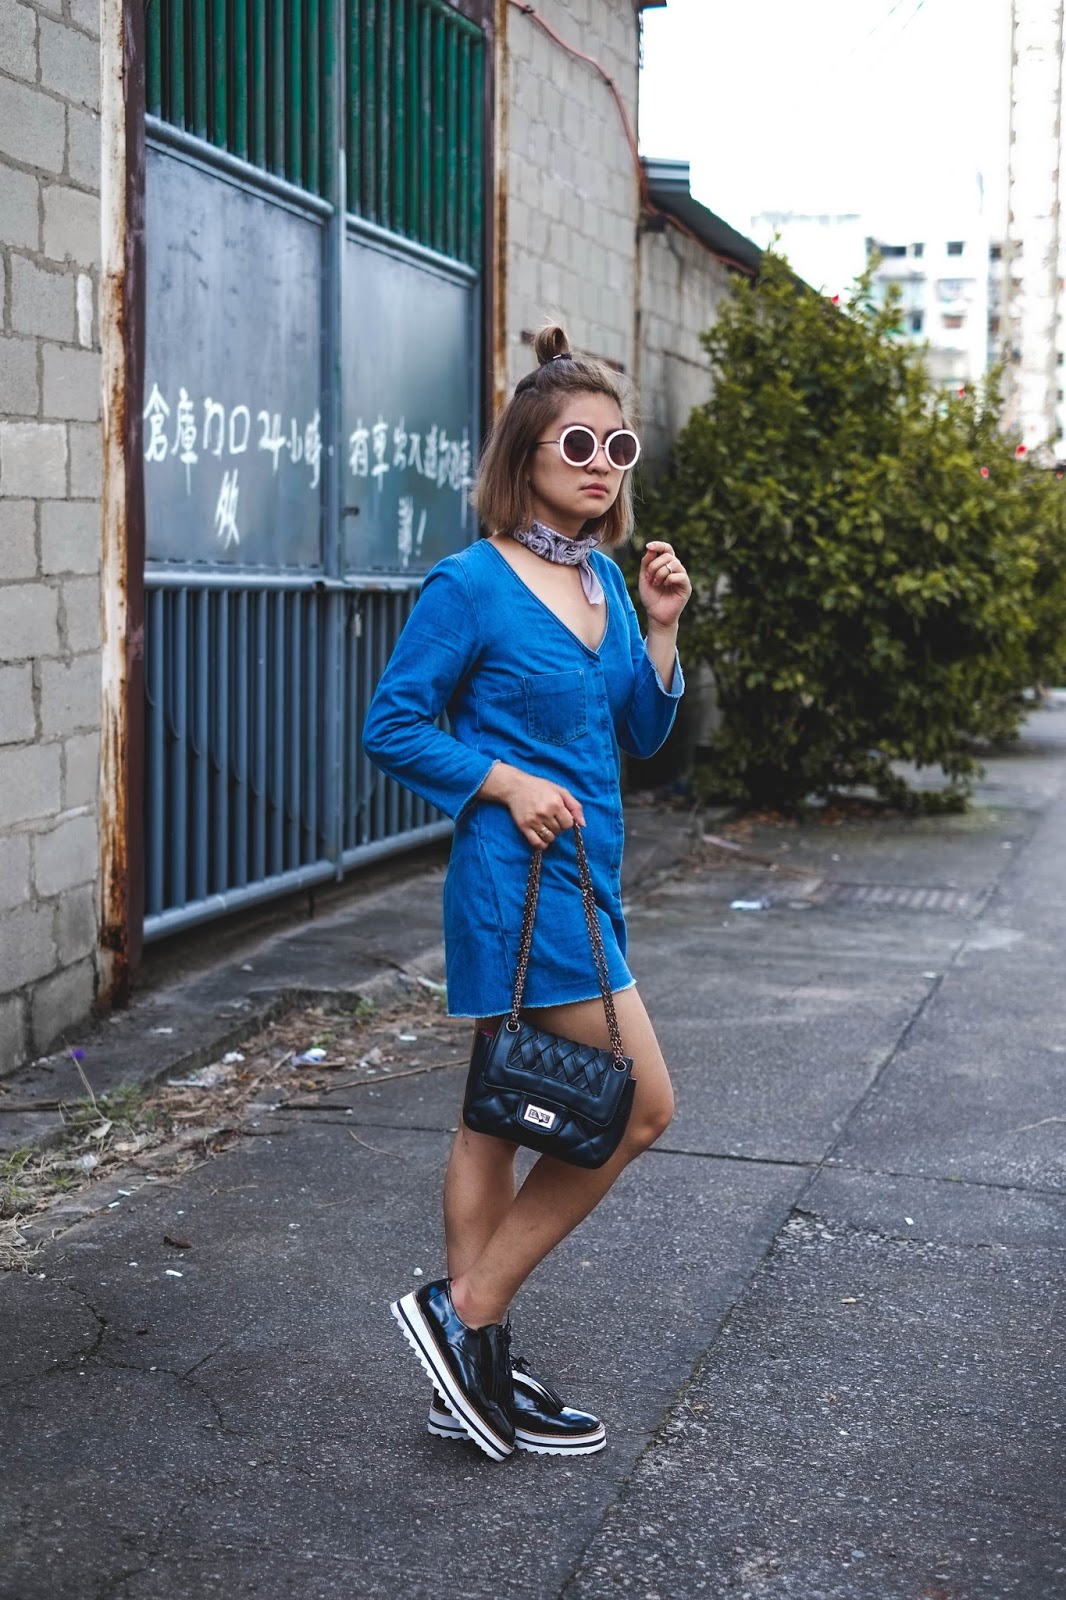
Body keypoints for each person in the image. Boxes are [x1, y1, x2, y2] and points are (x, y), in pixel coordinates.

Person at [362, 324, 692, 1462]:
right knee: (639, 1107)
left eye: (618, 446)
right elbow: (393, 724)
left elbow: (637, 732)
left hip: (589, 879)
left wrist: (660, 629)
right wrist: (502, 781)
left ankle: (474, 1374)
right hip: (516, 884)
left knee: (495, 1115)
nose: (602, 464)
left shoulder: (604, 582)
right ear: (526, 455)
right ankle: (465, 1311)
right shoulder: (471, 584)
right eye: (578, 444)